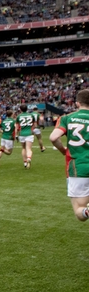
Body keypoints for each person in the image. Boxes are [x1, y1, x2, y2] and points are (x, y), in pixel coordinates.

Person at [50, 90, 89, 222]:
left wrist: (63, 150)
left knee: (80, 211)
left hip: (78, 168)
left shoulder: (67, 118)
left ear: (77, 103)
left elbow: (54, 137)